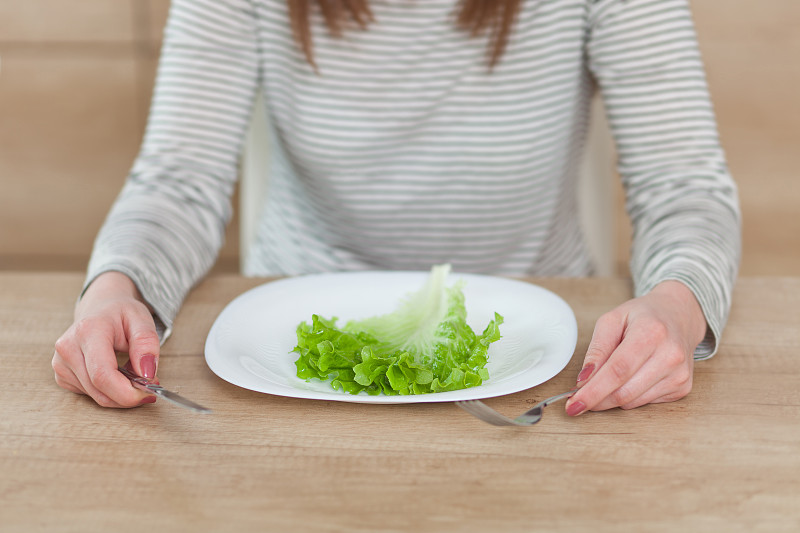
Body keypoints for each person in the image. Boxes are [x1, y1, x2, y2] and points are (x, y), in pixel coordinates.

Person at [52, 0, 740, 413]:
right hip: (284, 368)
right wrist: (118, 288)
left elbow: (684, 187)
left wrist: (677, 305)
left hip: (535, 368)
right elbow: (180, 180)